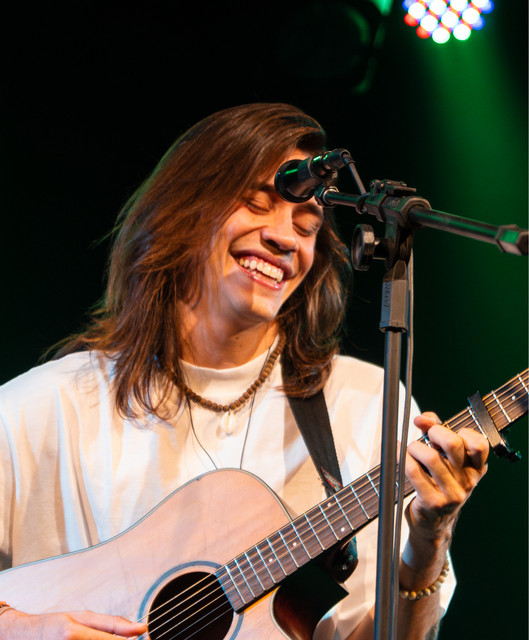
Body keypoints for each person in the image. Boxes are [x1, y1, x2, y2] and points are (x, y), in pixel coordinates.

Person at [0, 103, 488, 639]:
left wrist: (429, 539)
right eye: (257, 205)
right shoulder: (46, 406)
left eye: (307, 226)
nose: (285, 238)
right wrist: (25, 630)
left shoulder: (367, 404)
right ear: (184, 210)